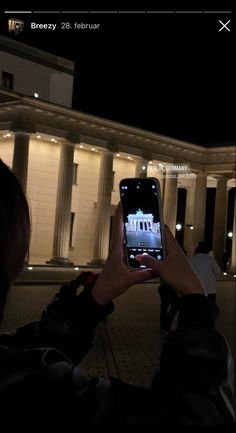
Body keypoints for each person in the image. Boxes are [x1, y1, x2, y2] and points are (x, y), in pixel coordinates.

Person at [0, 159, 235, 429]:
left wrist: (94, 299)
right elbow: (198, 417)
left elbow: (21, 355)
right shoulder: (39, 394)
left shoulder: (16, 378)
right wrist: (194, 300)